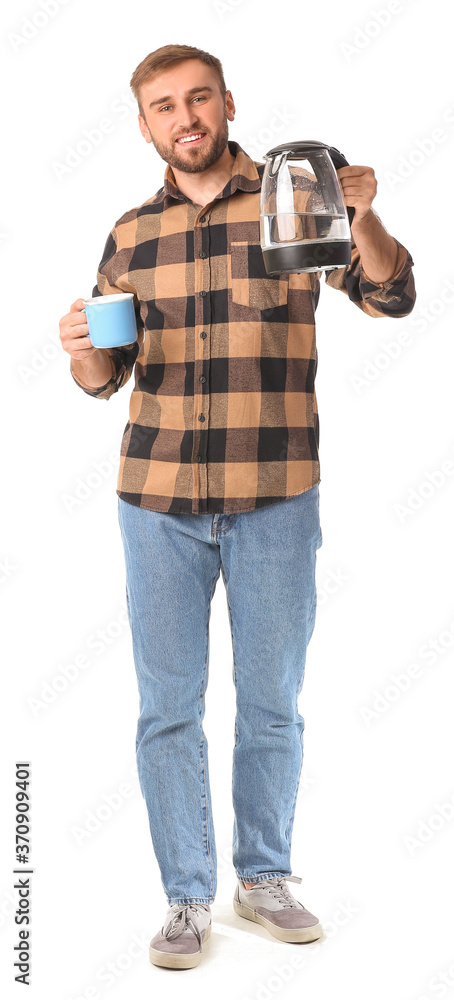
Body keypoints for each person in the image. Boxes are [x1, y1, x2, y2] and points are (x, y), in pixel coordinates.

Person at [59, 43, 416, 971]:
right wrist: (78, 347)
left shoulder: (298, 197)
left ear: (226, 103)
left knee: (271, 706)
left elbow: (391, 292)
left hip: (275, 501)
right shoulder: (131, 234)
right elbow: (105, 377)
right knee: (167, 710)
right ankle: (187, 898)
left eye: (199, 99)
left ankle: (263, 882)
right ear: (144, 126)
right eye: (164, 107)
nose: (186, 118)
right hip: (158, 505)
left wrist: (366, 217)